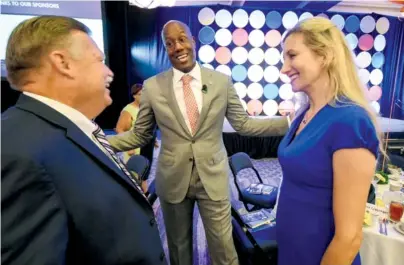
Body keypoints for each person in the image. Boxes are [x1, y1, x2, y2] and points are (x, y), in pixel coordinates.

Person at [107, 20, 289, 265]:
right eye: (169, 43)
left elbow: (244, 124)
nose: (177, 47)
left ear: (193, 41)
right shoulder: (152, 87)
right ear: (165, 49)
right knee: (179, 249)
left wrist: (289, 123)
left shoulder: (221, 82)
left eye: (182, 39)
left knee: (223, 249)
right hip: (172, 179)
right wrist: (100, 140)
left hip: (213, 175)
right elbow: (140, 135)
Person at [1, 16, 166, 265]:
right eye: (100, 60)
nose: (109, 72)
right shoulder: (18, 149)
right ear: (62, 63)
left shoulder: (64, 131)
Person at [276, 17, 383, 265]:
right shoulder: (306, 112)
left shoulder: (350, 121)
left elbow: (349, 238)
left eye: (292, 56)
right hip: (293, 250)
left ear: (324, 55)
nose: (284, 68)